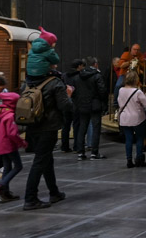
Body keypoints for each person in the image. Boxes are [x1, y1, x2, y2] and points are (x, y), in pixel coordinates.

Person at [23, 31, 74, 210]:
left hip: (31, 124)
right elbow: (66, 106)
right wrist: (69, 95)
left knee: (46, 159)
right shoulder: (55, 83)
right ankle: (30, 198)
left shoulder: (28, 83)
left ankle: (54, 192)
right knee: (40, 161)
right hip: (49, 126)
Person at [0, 90, 26, 203]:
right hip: (9, 145)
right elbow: (12, 133)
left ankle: (5, 193)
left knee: (7, 167)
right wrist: (21, 142)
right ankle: (1, 186)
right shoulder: (10, 115)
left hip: (0, 144)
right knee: (18, 166)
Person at [72, 57, 108, 160]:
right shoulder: (97, 76)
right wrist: (103, 102)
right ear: (95, 64)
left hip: (82, 105)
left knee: (82, 128)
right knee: (96, 128)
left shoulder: (77, 77)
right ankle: (94, 152)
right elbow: (102, 91)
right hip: (95, 104)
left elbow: (74, 92)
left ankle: (80, 152)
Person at [117, 71, 146, 169]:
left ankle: (129, 160)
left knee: (128, 139)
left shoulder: (121, 90)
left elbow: (119, 102)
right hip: (137, 118)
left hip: (124, 118)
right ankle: (139, 159)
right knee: (140, 138)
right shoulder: (138, 92)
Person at [61, 59, 84, 153]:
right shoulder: (80, 76)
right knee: (77, 125)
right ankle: (76, 146)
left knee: (65, 126)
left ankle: (64, 146)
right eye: (82, 66)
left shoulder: (64, 75)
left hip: (66, 102)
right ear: (79, 66)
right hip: (76, 102)